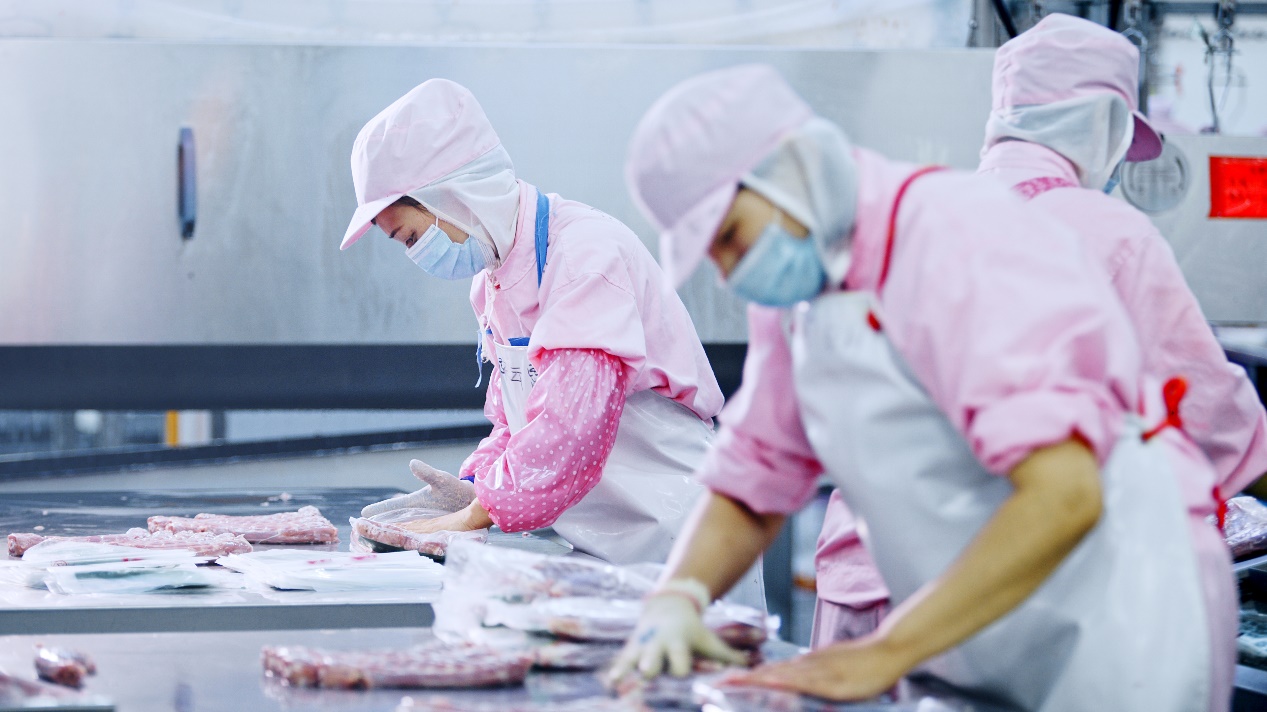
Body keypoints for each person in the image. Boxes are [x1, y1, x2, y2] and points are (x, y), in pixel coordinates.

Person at [609, 63, 1230, 710]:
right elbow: (757, 475)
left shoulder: (955, 236)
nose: (729, 273)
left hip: (1114, 610)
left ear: (791, 170)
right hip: (979, 616)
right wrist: (678, 595)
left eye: (731, 237)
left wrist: (884, 652)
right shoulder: (799, 297)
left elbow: (1064, 494)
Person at [810, 16, 1253, 708]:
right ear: (1103, 124)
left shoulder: (914, 215)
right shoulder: (1113, 235)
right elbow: (1215, 421)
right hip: (983, 604)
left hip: (863, 579)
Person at [340, 79, 764, 607]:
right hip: (597, 542)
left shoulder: (585, 256)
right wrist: (474, 484)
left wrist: (475, 515)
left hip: (677, 536)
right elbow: (515, 421)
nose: (416, 254)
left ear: (451, 195)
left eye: (411, 236)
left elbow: (572, 428)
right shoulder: (494, 281)